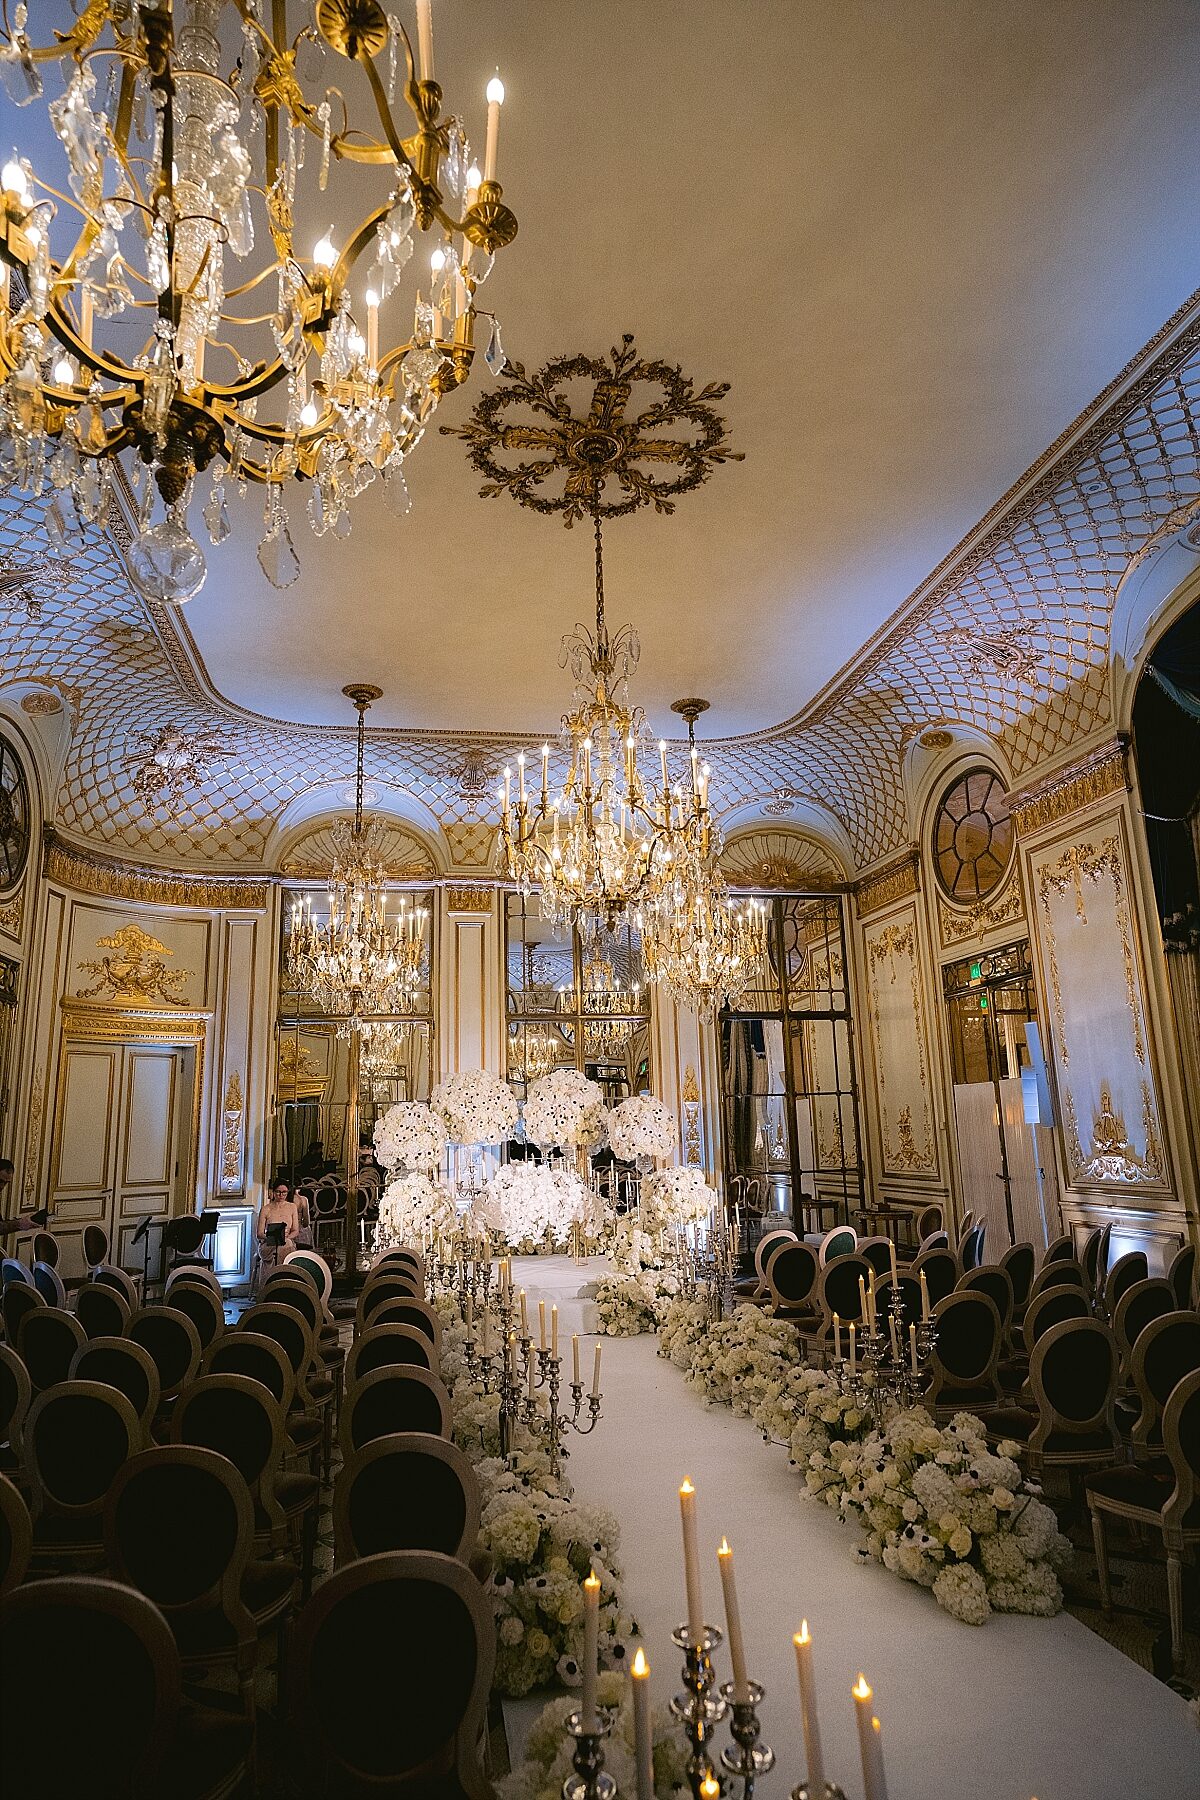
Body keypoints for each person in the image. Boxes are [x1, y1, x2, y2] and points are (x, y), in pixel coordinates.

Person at [255, 1177, 302, 1286]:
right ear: (273, 1192)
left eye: (284, 1192)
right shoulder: (266, 1209)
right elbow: (259, 1233)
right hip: (269, 1242)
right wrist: (271, 1237)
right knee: (278, 1247)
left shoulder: (292, 1207)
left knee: (286, 1245)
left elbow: (295, 1230)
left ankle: (283, 1282)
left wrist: (286, 1238)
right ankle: (270, 1285)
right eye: (278, 1192)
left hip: (286, 1240)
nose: (281, 1195)